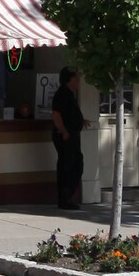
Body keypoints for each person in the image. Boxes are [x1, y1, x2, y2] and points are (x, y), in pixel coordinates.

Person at [51, 66, 88, 210]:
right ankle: (64, 198)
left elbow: (69, 114)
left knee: (76, 164)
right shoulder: (62, 94)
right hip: (65, 136)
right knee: (68, 166)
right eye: (76, 78)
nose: (78, 81)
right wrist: (64, 131)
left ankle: (68, 196)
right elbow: (56, 114)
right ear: (69, 80)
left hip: (72, 135)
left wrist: (80, 121)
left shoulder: (70, 94)